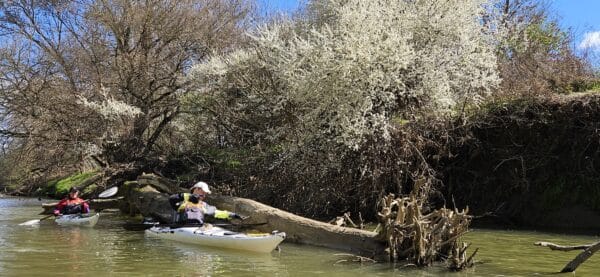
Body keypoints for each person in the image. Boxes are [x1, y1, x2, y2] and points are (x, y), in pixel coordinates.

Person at [169, 181, 243, 224]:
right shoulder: (182, 201)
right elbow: (171, 199)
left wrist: (233, 215)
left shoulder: (204, 205)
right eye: (203, 192)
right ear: (196, 189)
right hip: (180, 229)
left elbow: (217, 213)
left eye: (205, 194)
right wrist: (189, 197)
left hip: (197, 229)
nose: (204, 195)